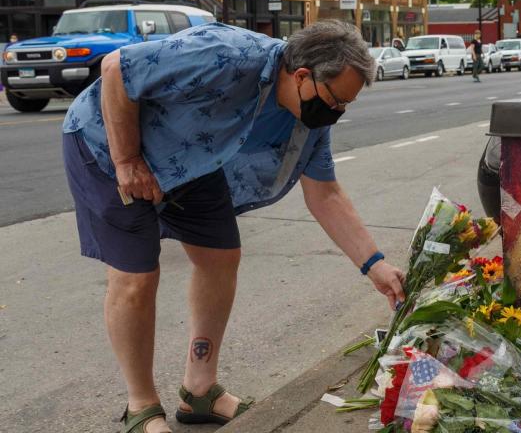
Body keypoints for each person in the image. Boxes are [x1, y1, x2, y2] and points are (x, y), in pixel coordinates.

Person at [62, 21, 406, 433]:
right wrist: (126, 161)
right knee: (137, 277)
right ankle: (142, 406)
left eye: (346, 105)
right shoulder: (226, 53)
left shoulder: (308, 122)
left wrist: (376, 267)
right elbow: (117, 68)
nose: (336, 113)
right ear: (301, 76)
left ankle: (199, 391)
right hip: (111, 143)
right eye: (335, 101)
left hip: (195, 159)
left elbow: (326, 195)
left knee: (221, 256)